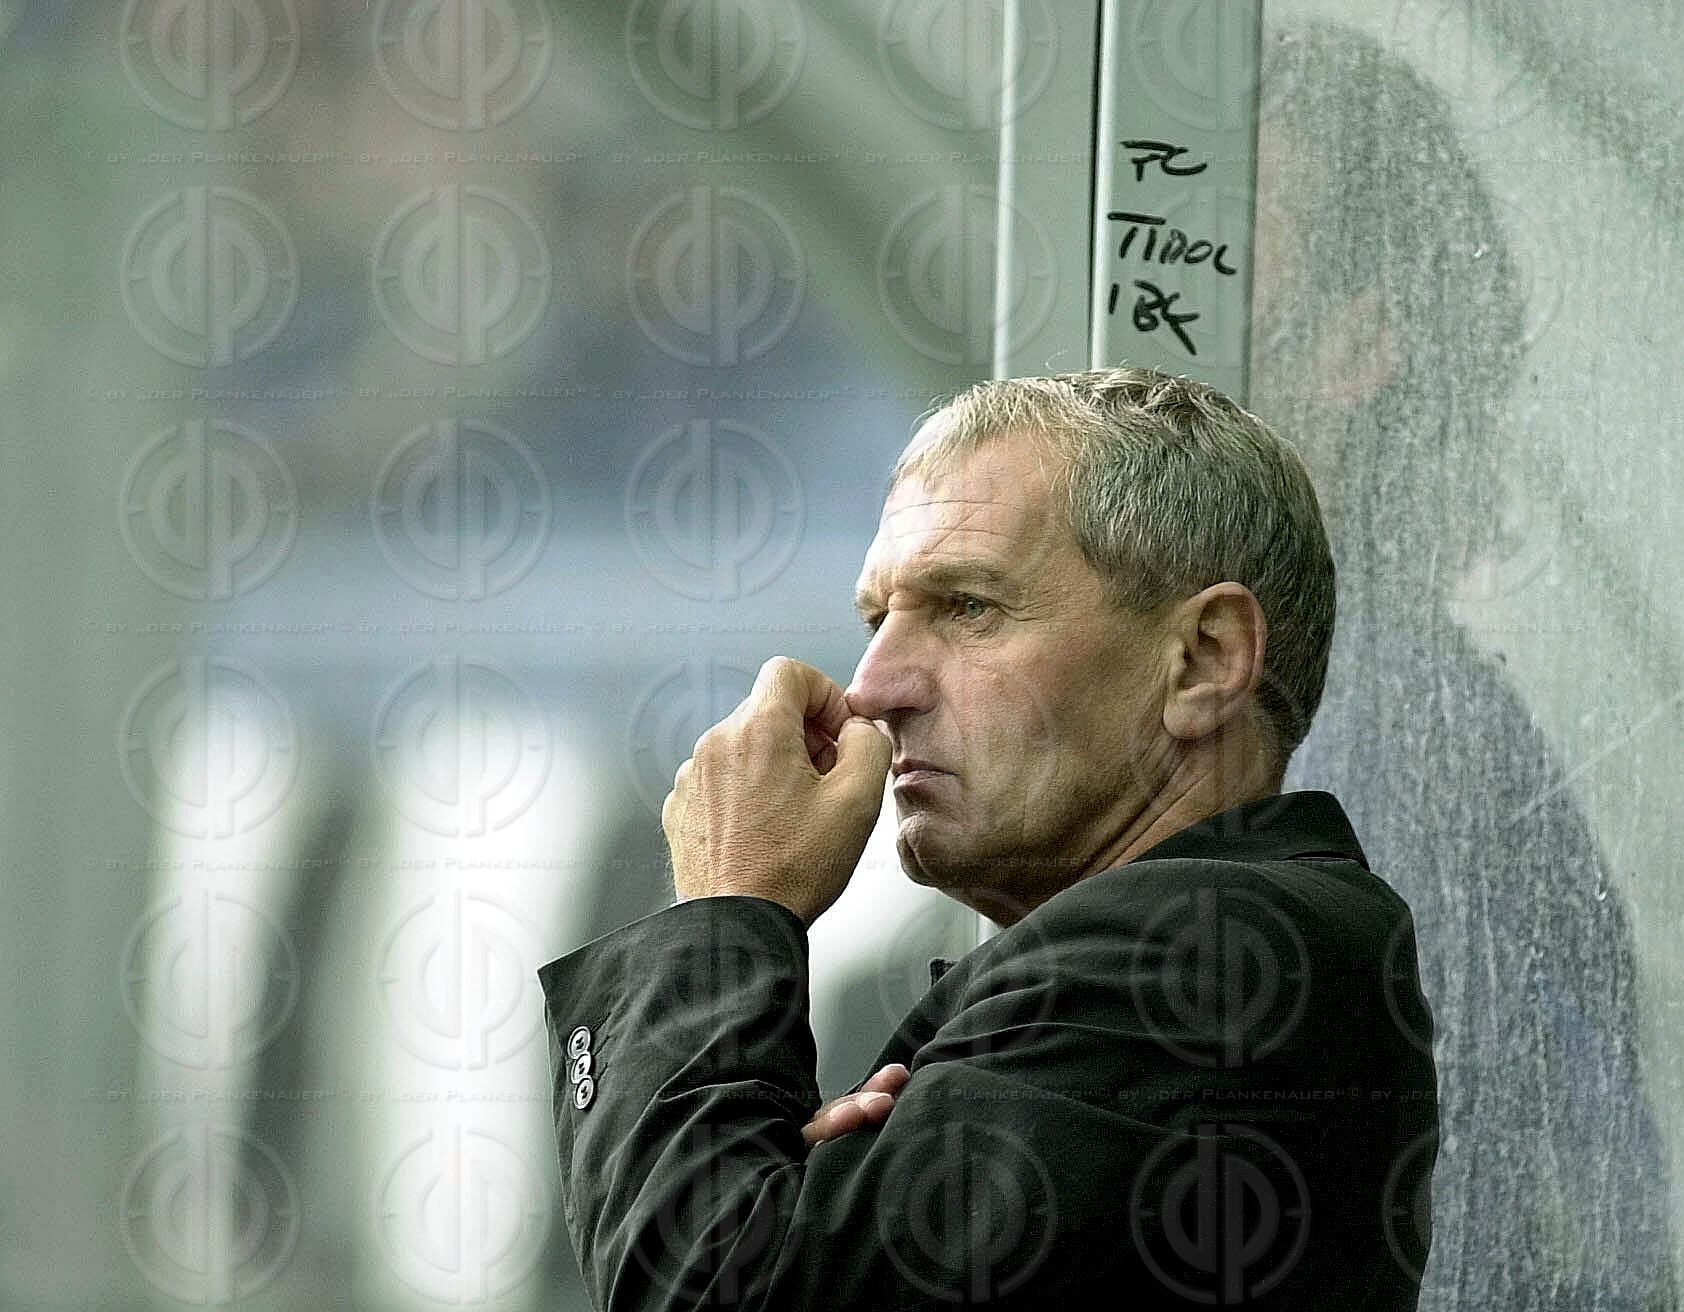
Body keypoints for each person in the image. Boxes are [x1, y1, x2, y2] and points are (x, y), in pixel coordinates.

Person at [537, 366, 1438, 1308]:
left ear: (1204, 659)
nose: (873, 687)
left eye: (968, 607)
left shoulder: (1204, 951)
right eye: (878, 619)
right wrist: (779, 1193)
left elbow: (709, 1291)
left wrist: (730, 905)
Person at [1251, 24, 1675, 1309]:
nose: (1167, 319)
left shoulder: (1376, 749)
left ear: (1360, 343)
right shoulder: (1317, 702)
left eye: (1228, 259)